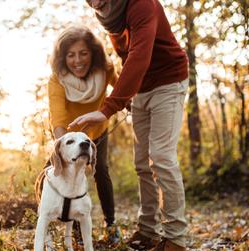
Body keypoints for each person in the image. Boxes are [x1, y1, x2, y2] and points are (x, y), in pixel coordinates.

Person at [69, 1, 190, 250]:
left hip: (169, 81)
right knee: (142, 164)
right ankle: (148, 231)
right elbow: (126, 60)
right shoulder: (108, 14)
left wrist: (108, 108)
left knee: (161, 157)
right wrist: (126, 96)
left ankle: (176, 238)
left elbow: (139, 56)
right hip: (142, 89)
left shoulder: (141, 4)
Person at [47, 24, 121, 244]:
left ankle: (111, 224)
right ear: (63, 58)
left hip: (97, 131)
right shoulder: (56, 80)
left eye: (83, 53)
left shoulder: (105, 69)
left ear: (93, 54)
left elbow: (122, 88)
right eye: (70, 55)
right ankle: (67, 229)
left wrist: (129, 103)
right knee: (58, 172)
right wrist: (62, 150)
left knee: (101, 171)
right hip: (68, 137)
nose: (77, 60)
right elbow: (59, 119)